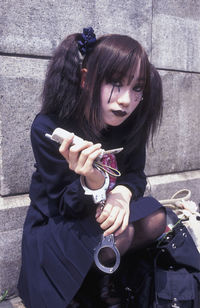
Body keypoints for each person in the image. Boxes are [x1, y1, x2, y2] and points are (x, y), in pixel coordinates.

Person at [18, 27, 166, 307]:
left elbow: (135, 174)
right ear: (86, 80)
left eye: (136, 88)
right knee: (121, 232)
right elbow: (61, 204)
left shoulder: (128, 124)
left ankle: (104, 277)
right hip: (57, 224)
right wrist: (93, 183)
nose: (126, 100)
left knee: (157, 218)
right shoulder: (50, 128)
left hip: (101, 219)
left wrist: (121, 195)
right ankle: (90, 287)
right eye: (115, 83)